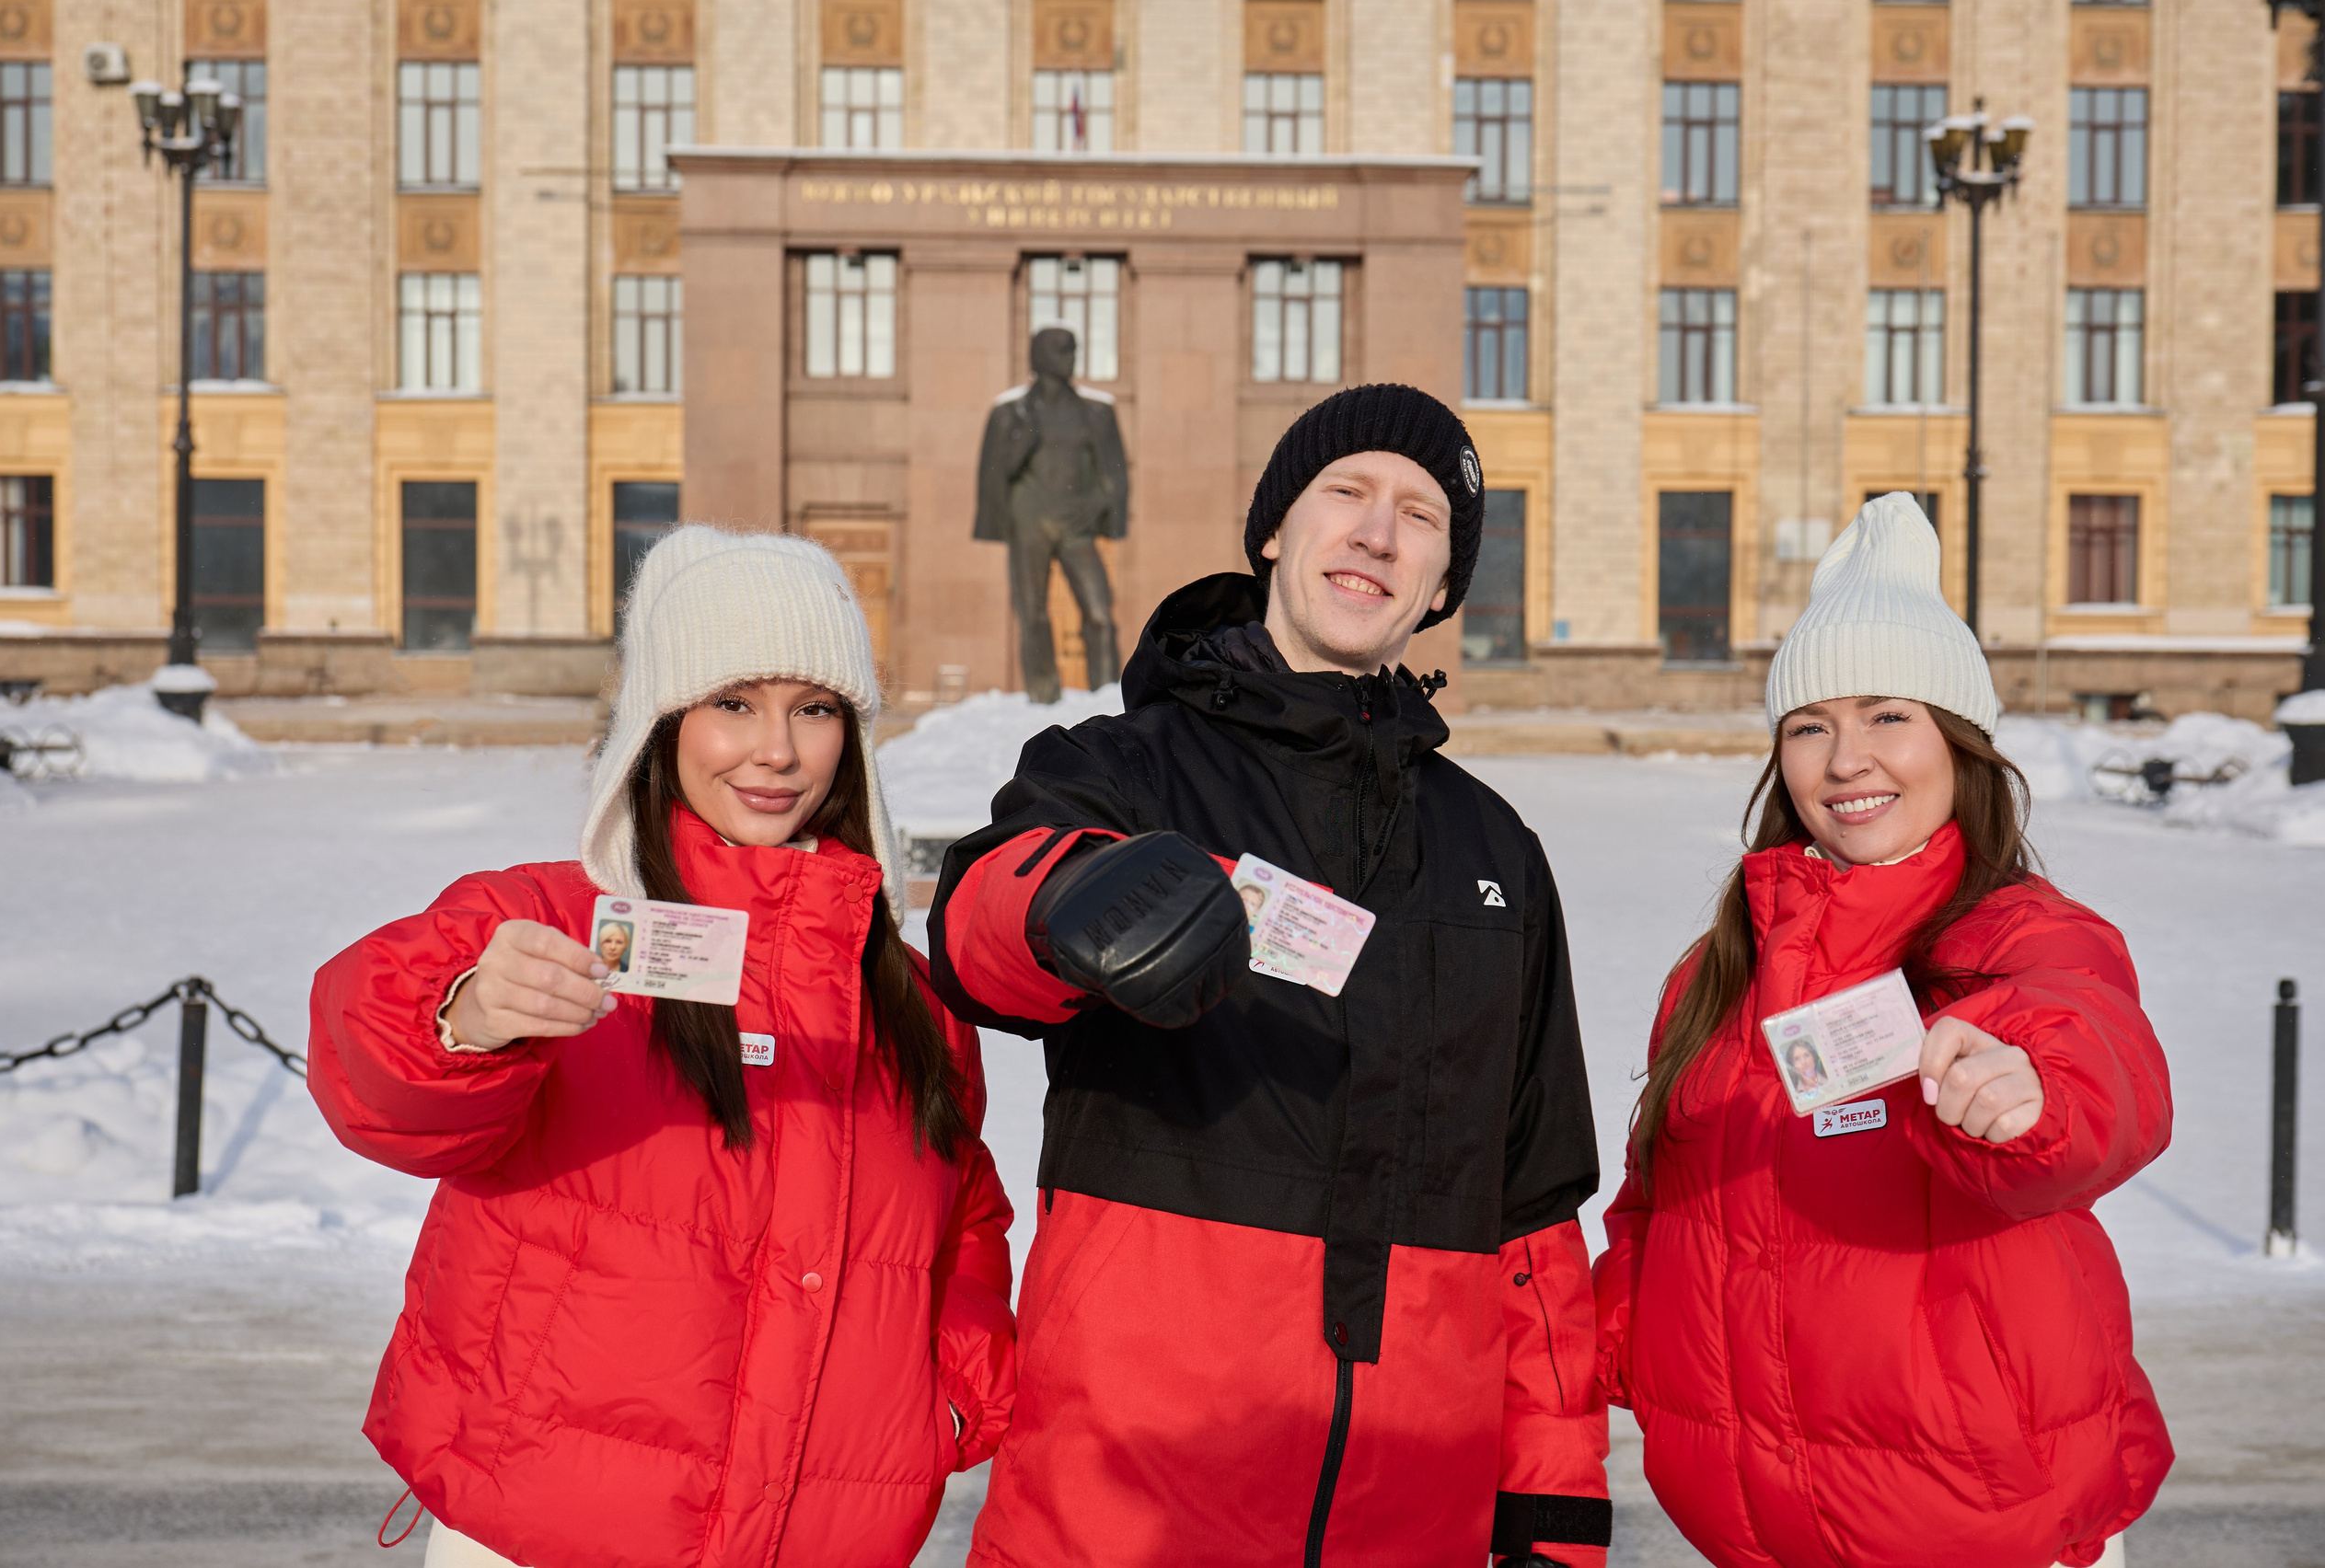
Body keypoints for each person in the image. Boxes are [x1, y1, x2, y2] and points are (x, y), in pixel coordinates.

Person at [930, 384, 1610, 1568]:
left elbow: (1532, 1219)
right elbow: (976, 932)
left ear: (1441, 585)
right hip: (1123, 1512)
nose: (1377, 533)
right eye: (1346, 492)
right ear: (1274, 532)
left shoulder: (1495, 851)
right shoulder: (1123, 770)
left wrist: (1551, 1515)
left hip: (1408, 1526)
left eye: (1420, 517)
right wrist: (1066, 897)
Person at [308, 528, 1016, 1568]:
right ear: (663, 720)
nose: (777, 751)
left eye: (814, 708)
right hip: (540, 1531)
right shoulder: (549, 921)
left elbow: (960, 1221)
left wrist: (946, 1397)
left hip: (816, 1540)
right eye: (733, 702)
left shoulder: (904, 994)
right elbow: (371, 1064)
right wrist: (469, 1015)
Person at [1591, 494, 2172, 1568]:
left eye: (1886, 715)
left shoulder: (2021, 935)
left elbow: (2093, 1052)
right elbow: (1655, 1202)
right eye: (1809, 726)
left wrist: (2032, 1097)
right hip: (1752, 1534)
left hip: (1987, 1528)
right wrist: (1611, 1347)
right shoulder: (1718, 971)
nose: (1845, 757)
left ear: (1958, 743)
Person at [975, 324, 1130, 703]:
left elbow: (1115, 473)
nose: (1070, 358)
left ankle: (1108, 698)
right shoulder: (1011, 413)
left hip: (1077, 525)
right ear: (1041, 357)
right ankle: (1043, 696)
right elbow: (993, 476)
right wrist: (1021, 446)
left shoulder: (1096, 412)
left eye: (1072, 349)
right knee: (1033, 613)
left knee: (1099, 613)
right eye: (1063, 350)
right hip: (1029, 522)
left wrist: (1101, 506)